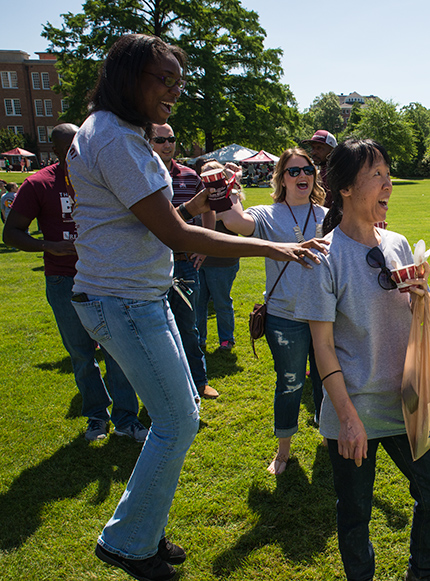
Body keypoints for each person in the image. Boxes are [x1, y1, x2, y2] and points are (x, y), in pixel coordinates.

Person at [66, 33, 326, 581]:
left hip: (136, 297)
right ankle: (129, 542)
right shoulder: (115, 139)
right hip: (125, 301)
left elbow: (151, 219)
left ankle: (144, 532)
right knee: (178, 422)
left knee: (175, 415)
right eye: (165, 79)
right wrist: (272, 246)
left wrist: (205, 201)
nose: (175, 93)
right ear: (129, 76)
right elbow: (178, 236)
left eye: (179, 82)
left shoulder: (114, 134)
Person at [296, 139, 430, 581]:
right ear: (346, 187)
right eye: (377, 176)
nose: (388, 184)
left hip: (406, 401)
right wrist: (347, 419)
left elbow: (413, 320)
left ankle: (423, 572)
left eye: (388, 174)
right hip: (355, 409)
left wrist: (422, 300)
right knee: (354, 513)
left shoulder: (400, 243)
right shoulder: (322, 257)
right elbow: (322, 347)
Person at [2, 124, 147, 443]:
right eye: (69, 149)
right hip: (63, 278)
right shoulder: (39, 183)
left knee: (119, 351)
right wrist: (46, 245)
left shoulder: (102, 177)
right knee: (82, 353)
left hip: (107, 277)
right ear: (54, 150)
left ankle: (126, 418)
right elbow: (11, 232)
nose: (77, 153)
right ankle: (97, 417)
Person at [216, 149, 327, 475]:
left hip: (325, 316)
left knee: (327, 380)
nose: (301, 176)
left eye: (307, 170)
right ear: (281, 179)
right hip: (286, 317)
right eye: (293, 172)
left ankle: (327, 434)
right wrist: (226, 194)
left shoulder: (328, 214)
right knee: (290, 383)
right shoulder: (267, 213)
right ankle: (283, 451)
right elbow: (235, 223)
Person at [150, 123, 219, 399]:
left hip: (184, 263)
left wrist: (204, 245)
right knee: (156, 329)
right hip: (151, 264)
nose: (167, 144)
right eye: (160, 139)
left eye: (171, 139)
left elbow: (209, 210)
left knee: (189, 326)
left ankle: (199, 381)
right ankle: (165, 389)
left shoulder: (190, 176)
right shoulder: (144, 174)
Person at [195, 163, 242, 352]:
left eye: (213, 176)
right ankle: (199, 339)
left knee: (221, 302)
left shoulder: (232, 195)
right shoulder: (199, 195)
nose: (209, 180)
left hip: (222, 260)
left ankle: (226, 339)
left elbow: (230, 219)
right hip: (200, 258)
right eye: (205, 177)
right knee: (199, 304)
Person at [303, 129, 338, 207]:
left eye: (319, 148)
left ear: (332, 150)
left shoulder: (336, 174)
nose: (313, 152)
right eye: (313, 148)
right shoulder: (321, 172)